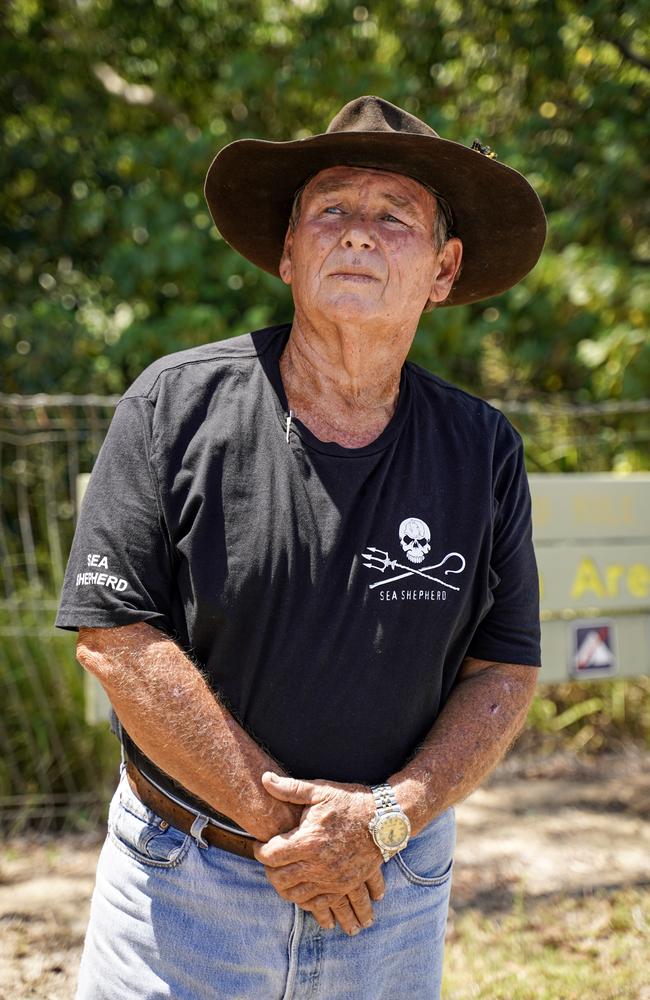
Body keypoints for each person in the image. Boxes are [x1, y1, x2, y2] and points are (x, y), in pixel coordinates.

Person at [55, 95, 546, 999]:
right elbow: (115, 642)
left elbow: (504, 671)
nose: (358, 234)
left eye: (393, 217)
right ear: (289, 253)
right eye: (332, 210)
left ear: (443, 269)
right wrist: (293, 831)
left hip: (390, 891)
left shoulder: (481, 448)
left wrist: (383, 823)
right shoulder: (175, 404)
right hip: (182, 885)